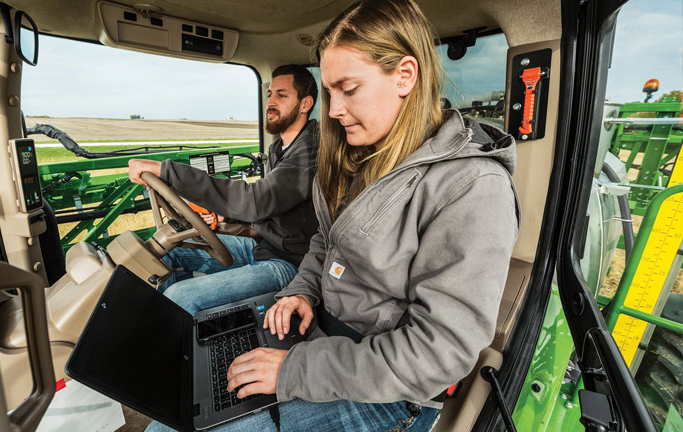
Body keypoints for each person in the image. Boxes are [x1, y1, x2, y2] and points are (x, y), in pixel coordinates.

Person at [147, 0, 520, 430]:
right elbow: (327, 240)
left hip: (387, 392)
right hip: (321, 339)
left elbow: (438, 353)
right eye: (329, 93)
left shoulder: (471, 187)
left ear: (405, 76)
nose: (334, 110)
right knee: (188, 394)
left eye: (349, 89)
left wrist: (294, 370)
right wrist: (303, 291)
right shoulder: (361, 155)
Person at [128, 64, 319, 314]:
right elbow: (271, 204)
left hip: (292, 265)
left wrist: (167, 172)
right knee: (170, 253)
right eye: (270, 94)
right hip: (261, 246)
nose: (271, 102)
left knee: (179, 296)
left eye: (281, 95)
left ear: (305, 104)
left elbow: (257, 200)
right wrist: (223, 217)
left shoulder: (309, 153)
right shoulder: (278, 148)